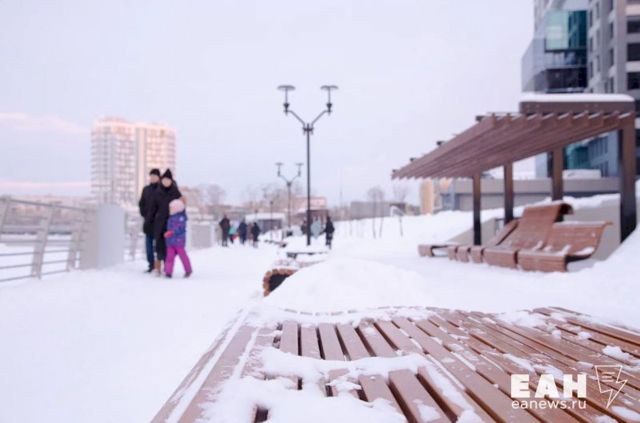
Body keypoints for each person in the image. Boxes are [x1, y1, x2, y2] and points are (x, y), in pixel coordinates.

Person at [147, 169, 183, 275]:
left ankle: (168, 269)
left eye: (168, 180)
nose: (166, 182)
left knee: (169, 247)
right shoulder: (157, 192)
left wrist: (180, 223)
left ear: (171, 181)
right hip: (159, 223)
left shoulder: (176, 192)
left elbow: (181, 208)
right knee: (158, 246)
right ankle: (158, 268)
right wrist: (149, 221)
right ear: (162, 180)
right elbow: (152, 209)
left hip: (172, 224)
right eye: (164, 180)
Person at [138, 168, 160, 272]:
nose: (153, 178)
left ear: (158, 177)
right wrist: (145, 214)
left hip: (159, 222)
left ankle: (159, 265)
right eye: (151, 176)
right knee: (148, 245)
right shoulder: (146, 189)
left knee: (159, 245)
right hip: (148, 222)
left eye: (155, 176)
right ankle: (151, 265)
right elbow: (141, 203)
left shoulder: (161, 189)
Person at [164, 199, 192, 278]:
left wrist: (171, 232)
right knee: (169, 257)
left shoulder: (181, 218)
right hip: (170, 241)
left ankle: (188, 270)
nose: (170, 209)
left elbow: (180, 228)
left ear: (176, 208)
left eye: (171, 208)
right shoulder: (171, 217)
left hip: (179, 241)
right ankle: (168, 272)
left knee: (183, 256)